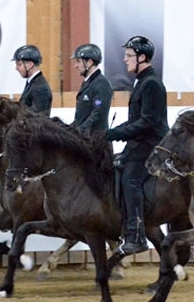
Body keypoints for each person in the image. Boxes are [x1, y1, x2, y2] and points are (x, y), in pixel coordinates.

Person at [105, 36, 168, 256]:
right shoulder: (142, 82)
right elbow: (135, 121)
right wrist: (112, 132)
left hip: (151, 144)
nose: (125, 59)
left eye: (129, 55)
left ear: (142, 57)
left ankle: (137, 235)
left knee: (131, 178)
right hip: (140, 142)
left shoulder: (151, 84)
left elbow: (147, 122)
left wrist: (115, 134)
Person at [70, 44, 113, 135]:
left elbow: (98, 113)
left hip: (95, 141)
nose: (75, 66)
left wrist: (80, 130)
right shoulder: (88, 82)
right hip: (85, 138)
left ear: (89, 62)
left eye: (78, 62)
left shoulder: (101, 84)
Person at [12, 44, 52, 117]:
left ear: (30, 64)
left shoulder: (40, 88)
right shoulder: (32, 83)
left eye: (19, 65)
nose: (16, 68)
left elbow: (38, 119)